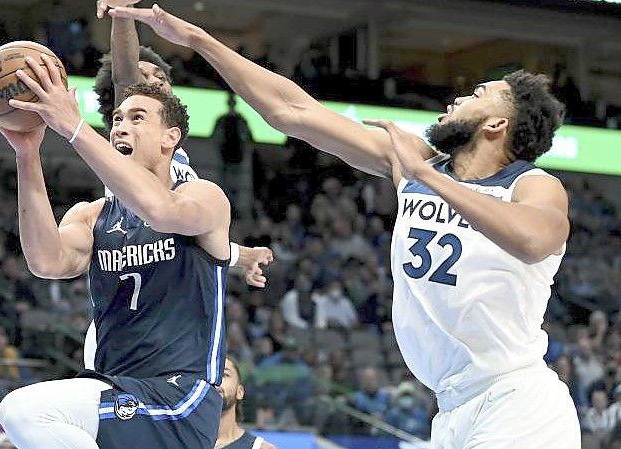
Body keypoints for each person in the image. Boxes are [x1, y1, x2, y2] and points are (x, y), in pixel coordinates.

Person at [112, 4, 580, 447]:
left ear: (497, 124)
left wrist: (428, 179)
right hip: (452, 407)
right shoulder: (417, 164)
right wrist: (196, 39)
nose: (460, 95)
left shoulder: (531, 185)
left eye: (478, 94)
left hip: (516, 400)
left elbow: (534, 238)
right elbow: (291, 111)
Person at [0, 49, 231, 449]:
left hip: (179, 396)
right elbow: (47, 261)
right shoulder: (92, 215)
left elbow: (162, 212)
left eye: (137, 119)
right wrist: (27, 154)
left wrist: (74, 126)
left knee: (24, 411)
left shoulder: (203, 196)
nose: (121, 126)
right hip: (116, 389)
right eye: (117, 119)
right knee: (24, 418)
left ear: (172, 138)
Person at [94, 0, 272, 288]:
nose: (154, 82)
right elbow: (125, 77)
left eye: (161, 76)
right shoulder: (129, 139)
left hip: (168, 296)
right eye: (144, 77)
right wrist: (123, 14)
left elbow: (186, 237)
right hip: (130, 306)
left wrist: (242, 256)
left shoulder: (175, 154)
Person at [215, 357, 276, 449]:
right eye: (209, 375)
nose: (215, 381)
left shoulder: (261, 448)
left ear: (240, 392)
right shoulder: (186, 442)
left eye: (224, 374)